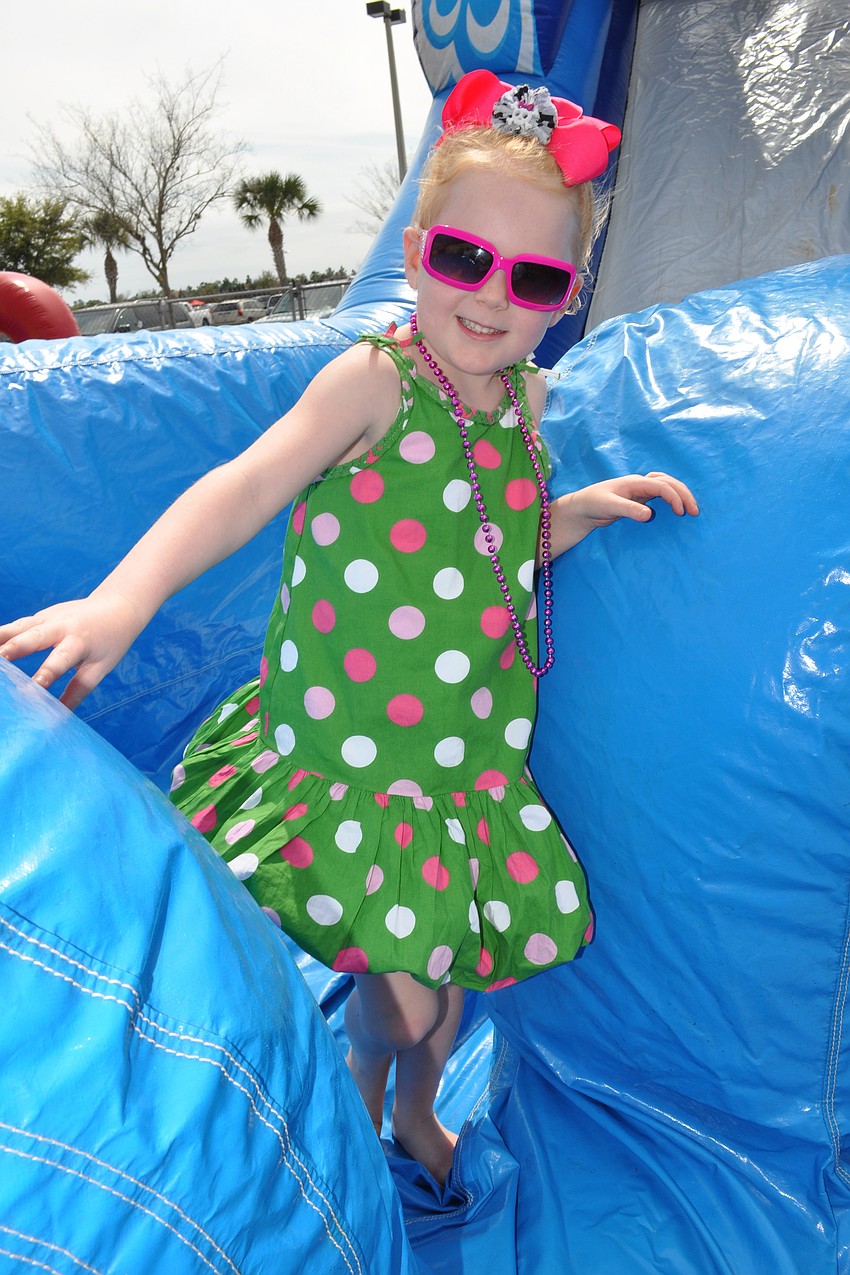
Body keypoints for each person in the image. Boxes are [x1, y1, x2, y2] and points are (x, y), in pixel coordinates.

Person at [0, 69, 698, 1187]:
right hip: (350, 760)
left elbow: (482, 539)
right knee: (414, 1004)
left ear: (568, 296)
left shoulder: (523, 403)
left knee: (448, 985)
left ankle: (405, 1111)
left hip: (456, 763)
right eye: (461, 258)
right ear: (417, 246)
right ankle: (354, 1090)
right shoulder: (375, 382)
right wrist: (123, 596)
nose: (489, 296)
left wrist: (566, 516)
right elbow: (244, 483)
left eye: (532, 276)